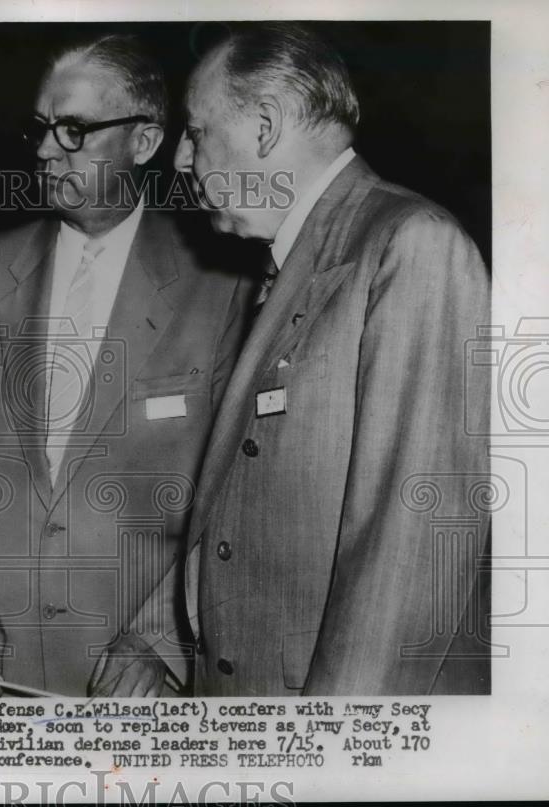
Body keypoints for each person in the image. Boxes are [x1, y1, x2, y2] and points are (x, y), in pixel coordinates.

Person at [95, 22, 491, 696]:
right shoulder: (289, 266)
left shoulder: (411, 244)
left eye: (196, 133)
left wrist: (328, 762)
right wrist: (152, 638)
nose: (181, 163)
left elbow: (405, 564)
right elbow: (251, 505)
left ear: (266, 125)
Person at [0, 34, 252, 696]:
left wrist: (162, 639)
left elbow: (240, 499)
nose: (44, 149)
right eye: (40, 128)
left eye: (74, 130)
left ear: (143, 142)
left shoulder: (223, 285)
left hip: (141, 694)